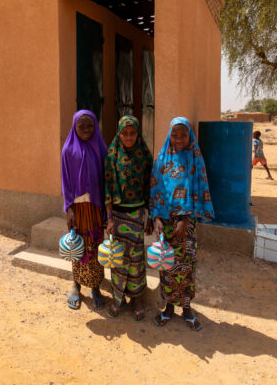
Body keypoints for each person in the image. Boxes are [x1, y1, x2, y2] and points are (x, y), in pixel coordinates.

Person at [150, 117, 214, 331]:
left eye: (183, 135)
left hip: (186, 226)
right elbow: (156, 189)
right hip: (166, 225)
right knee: (167, 266)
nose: (178, 139)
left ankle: (187, 308)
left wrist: (185, 219)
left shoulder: (195, 159)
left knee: (186, 268)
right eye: (174, 135)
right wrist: (157, 218)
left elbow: (200, 189)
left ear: (190, 136)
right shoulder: (162, 159)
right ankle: (169, 307)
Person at [103, 115, 153, 321]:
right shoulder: (112, 155)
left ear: (137, 133)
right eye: (125, 133)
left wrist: (149, 216)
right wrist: (110, 218)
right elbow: (107, 188)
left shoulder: (145, 156)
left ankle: (137, 300)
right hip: (118, 214)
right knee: (118, 259)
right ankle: (118, 298)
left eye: (133, 133)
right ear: (119, 133)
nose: (129, 137)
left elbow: (151, 188)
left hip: (138, 214)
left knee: (136, 259)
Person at [61, 110, 107, 311]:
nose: (86, 130)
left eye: (90, 126)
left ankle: (95, 287)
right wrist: (69, 209)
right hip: (77, 209)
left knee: (95, 246)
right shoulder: (68, 150)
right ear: (74, 127)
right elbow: (65, 181)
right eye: (82, 126)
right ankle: (76, 285)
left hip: (96, 208)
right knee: (77, 246)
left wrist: (107, 210)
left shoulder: (101, 149)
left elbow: (106, 179)